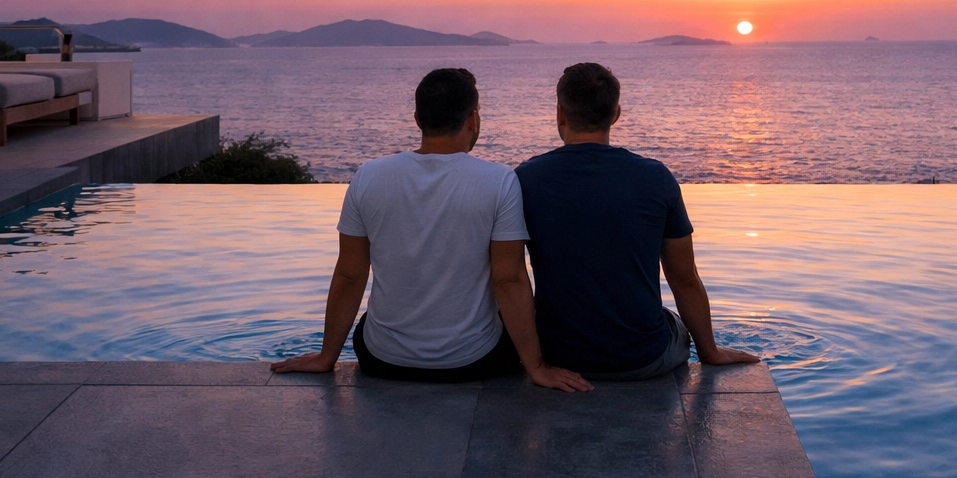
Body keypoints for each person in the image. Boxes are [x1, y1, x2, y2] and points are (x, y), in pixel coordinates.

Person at [271, 67, 591, 392]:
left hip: (383, 360)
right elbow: (508, 278)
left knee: (373, 322)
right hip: (473, 362)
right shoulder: (498, 181)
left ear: (417, 118)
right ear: (472, 119)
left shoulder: (369, 176)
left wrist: (327, 357)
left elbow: (350, 275)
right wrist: (536, 367)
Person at [515, 62, 759, 380]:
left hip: (557, 355)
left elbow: (509, 278)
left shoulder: (524, 179)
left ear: (560, 113)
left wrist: (534, 365)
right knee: (672, 323)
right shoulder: (656, 178)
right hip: (640, 358)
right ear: (615, 114)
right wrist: (710, 352)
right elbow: (683, 278)